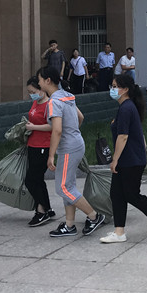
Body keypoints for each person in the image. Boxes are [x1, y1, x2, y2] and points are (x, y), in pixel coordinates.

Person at [100, 74, 147, 243]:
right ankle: (119, 232)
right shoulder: (127, 106)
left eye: (115, 86)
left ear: (125, 89)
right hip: (129, 159)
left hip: (130, 160)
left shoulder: (126, 108)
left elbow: (123, 136)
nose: (112, 89)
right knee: (117, 194)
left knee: (131, 194)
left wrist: (115, 159)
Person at [40, 66, 106, 237]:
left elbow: (57, 130)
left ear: (48, 81)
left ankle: (94, 216)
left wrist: (51, 155)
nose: (39, 83)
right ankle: (69, 225)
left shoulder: (54, 101)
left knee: (63, 187)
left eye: (40, 80)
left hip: (68, 147)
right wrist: (73, 133)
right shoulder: (67, 96)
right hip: (76, 143)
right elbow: (80, 117)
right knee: (68, 186)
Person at [24, 76, 56, 226]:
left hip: (43, 145)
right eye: (30, 92)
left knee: (31, 180)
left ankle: (41, 210)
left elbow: (52, 126)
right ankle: (47, 208)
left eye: (33, 92)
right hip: (33, 144)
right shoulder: (36, 102)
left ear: (41, 89)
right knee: (38, 179)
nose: (32, 95)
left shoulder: (49, 105)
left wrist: (33, 127)